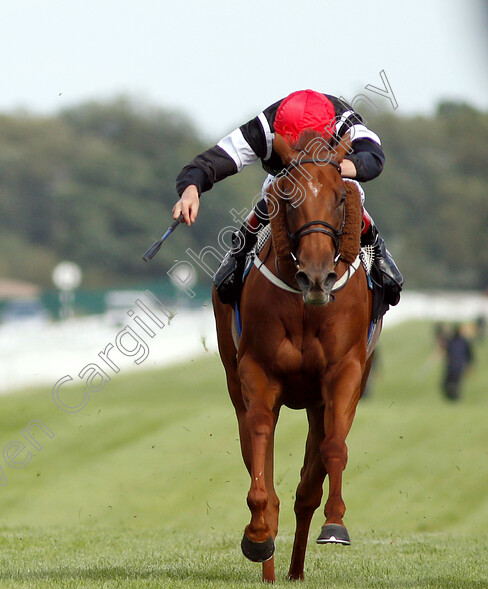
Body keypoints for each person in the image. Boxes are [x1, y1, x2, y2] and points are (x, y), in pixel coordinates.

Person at [173, 89, 403, 306]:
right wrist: (191, 188)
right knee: (272, 196)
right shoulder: (264, 127)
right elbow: (212, 161)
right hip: (285, 184)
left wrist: (328, 169)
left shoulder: (343, 120)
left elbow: (373, 156)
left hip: (334, 180)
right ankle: (239, 252)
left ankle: (378, 250)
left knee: (352, 194)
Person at [441, 324, 474, 401]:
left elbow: (445, 349)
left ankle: (452, 397)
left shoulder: (452, 341)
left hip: (452, 366)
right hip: (458, 366)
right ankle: (454, 397)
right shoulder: (463, 341)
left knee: (449, 382)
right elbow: (469, 354)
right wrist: (469, 365)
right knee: (455, 382)